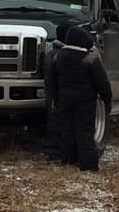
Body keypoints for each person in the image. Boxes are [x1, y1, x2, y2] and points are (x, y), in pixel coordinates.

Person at [48, 26, 112, 171]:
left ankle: (68, 160)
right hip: (85, 102)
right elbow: (103, 83)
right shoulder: (90, 59)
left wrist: (56, 99)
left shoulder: (58, 57)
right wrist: (107, 101)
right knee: (85, 132)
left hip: (64, 100)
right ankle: (88, 164)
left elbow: (52, 82)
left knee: (67, 130)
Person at [41, 24, 70, 162]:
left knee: (54, 122)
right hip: (56, 94)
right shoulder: (58, 55)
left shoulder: (51, 53)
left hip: (53, 92)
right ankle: (54, 153)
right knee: (56, 123)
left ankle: (54, 152)